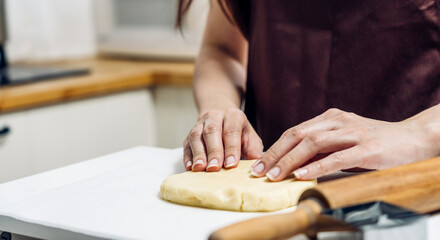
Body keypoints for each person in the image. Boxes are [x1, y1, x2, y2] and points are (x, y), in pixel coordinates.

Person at [177, 0, 440, 182]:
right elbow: (223, 50)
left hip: (414, 183)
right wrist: (220, 108)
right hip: (270, 177)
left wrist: (419, 133)